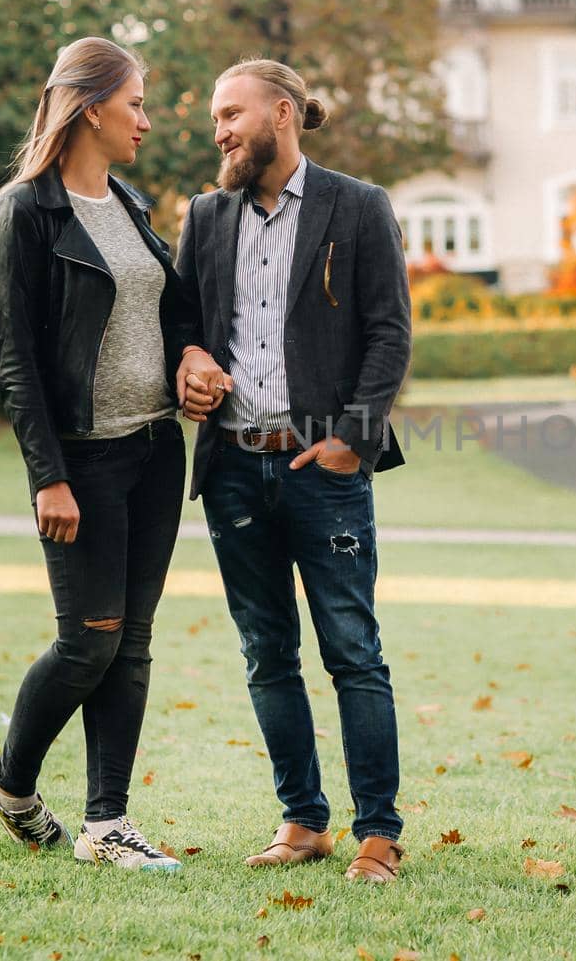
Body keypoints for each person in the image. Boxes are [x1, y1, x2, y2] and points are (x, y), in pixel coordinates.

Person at [0, 36, 227, 871]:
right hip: (82, 461)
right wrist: (47, 475)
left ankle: (105, 822)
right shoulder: (27, 210)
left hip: (156, 448)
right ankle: (11, 781)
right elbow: (14, 361)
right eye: (137, 104)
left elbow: (171, 310)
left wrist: (190, 356)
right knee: (90, 640)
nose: (147, 121)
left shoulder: (128, 202)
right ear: (90, 108)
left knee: (135, 638)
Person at [173, 58, 412, 883]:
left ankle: (378, 832)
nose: (220, 131)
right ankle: (303, 819)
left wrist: (355, 435)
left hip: (326, 468)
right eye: (214, 118)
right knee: (266, 651)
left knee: (353, 650)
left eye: (231, 113)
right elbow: (183, 321)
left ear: (282, 112)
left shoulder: (357, 205)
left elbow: (389, 332)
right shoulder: (206, 215)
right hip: (234, 470)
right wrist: (191, 355)